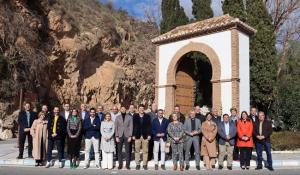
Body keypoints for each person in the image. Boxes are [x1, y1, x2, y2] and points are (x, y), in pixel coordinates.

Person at [132, 104, 152, 170]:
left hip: (145, 136)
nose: (141, 109)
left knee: (145, 151)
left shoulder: (147, 116)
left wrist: (149, 134)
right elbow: (133, 126)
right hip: (137, 136)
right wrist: (133, 135)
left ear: (144, 109)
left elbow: (149, 126)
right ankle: (137, 164)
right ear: (138, 109)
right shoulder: (135, 116)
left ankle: (144, 164)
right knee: (137, 151)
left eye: (142, 108)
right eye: (140, 108)